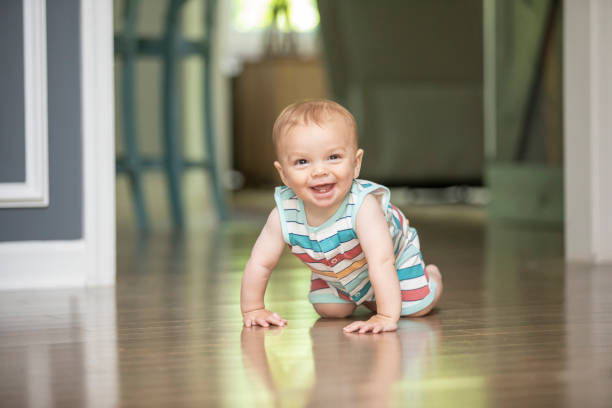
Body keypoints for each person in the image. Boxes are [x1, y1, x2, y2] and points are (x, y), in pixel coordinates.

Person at [240, 99, 443, 333]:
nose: (319, 171)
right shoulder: (283, 215)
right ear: (283, 174)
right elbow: (260, 263)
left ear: (356, 164)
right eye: (302, 162)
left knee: (416, 307)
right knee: (330, 310)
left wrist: (385, 315)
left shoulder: (363, 208)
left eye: (333, 157)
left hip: (393, 260)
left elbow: (382, 261)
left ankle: (433, 278)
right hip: (338, 270)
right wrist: (253, 309)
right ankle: (366, 295)